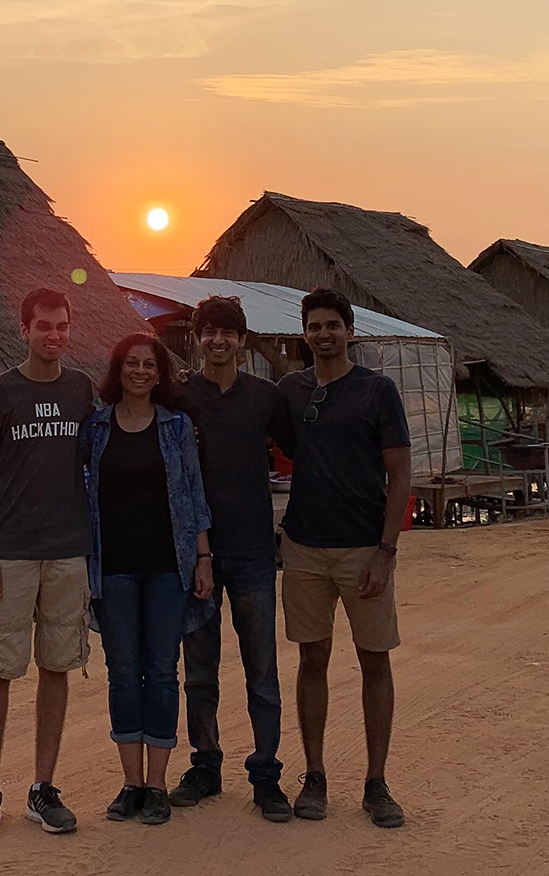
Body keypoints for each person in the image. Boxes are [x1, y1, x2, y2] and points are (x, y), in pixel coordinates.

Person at [277, 288, 412, 828]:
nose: (324, 334)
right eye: (315, 325)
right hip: (305, 546)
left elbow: (399, 473)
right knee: (312, 660)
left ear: (350, 331)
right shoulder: (290, 390)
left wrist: (386, 551)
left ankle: (377, 783)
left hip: (362, 548)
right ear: (304, 332)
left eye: (333, 325)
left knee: (374, 660)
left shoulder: (377, 391)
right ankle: (314, 775)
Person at [0, 287, 95, 838]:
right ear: (24, 330)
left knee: (57, 667)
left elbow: (96, 463)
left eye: (62, 326)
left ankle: (43, 787)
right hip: (12, 554)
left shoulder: (81, 389)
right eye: (44, 326)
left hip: (67, 550)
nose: (54, 335)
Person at [168, 295, 296, 822]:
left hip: (252, 552)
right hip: (194, 554)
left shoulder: (265, 399)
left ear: (242, 342)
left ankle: (267, 774)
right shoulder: (178, 398)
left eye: (228, 332)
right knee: (198, 670)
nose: (218, 340)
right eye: (208, 331)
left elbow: (303, 456)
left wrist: (292, 524)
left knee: (261, 669)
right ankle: (206, 764)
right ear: (196, 339)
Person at [83, 332, 215, 826]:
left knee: (161, 674)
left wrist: (203, 557)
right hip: (112, 568)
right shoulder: (95, 428)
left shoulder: (177, 427)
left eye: (149, 365)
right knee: (122, 675)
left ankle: (158, 785)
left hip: (167, 567)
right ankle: (131, 784)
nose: (139, 371)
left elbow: (194, 493)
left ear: (161, 374)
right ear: (118, 370)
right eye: (131, 364)